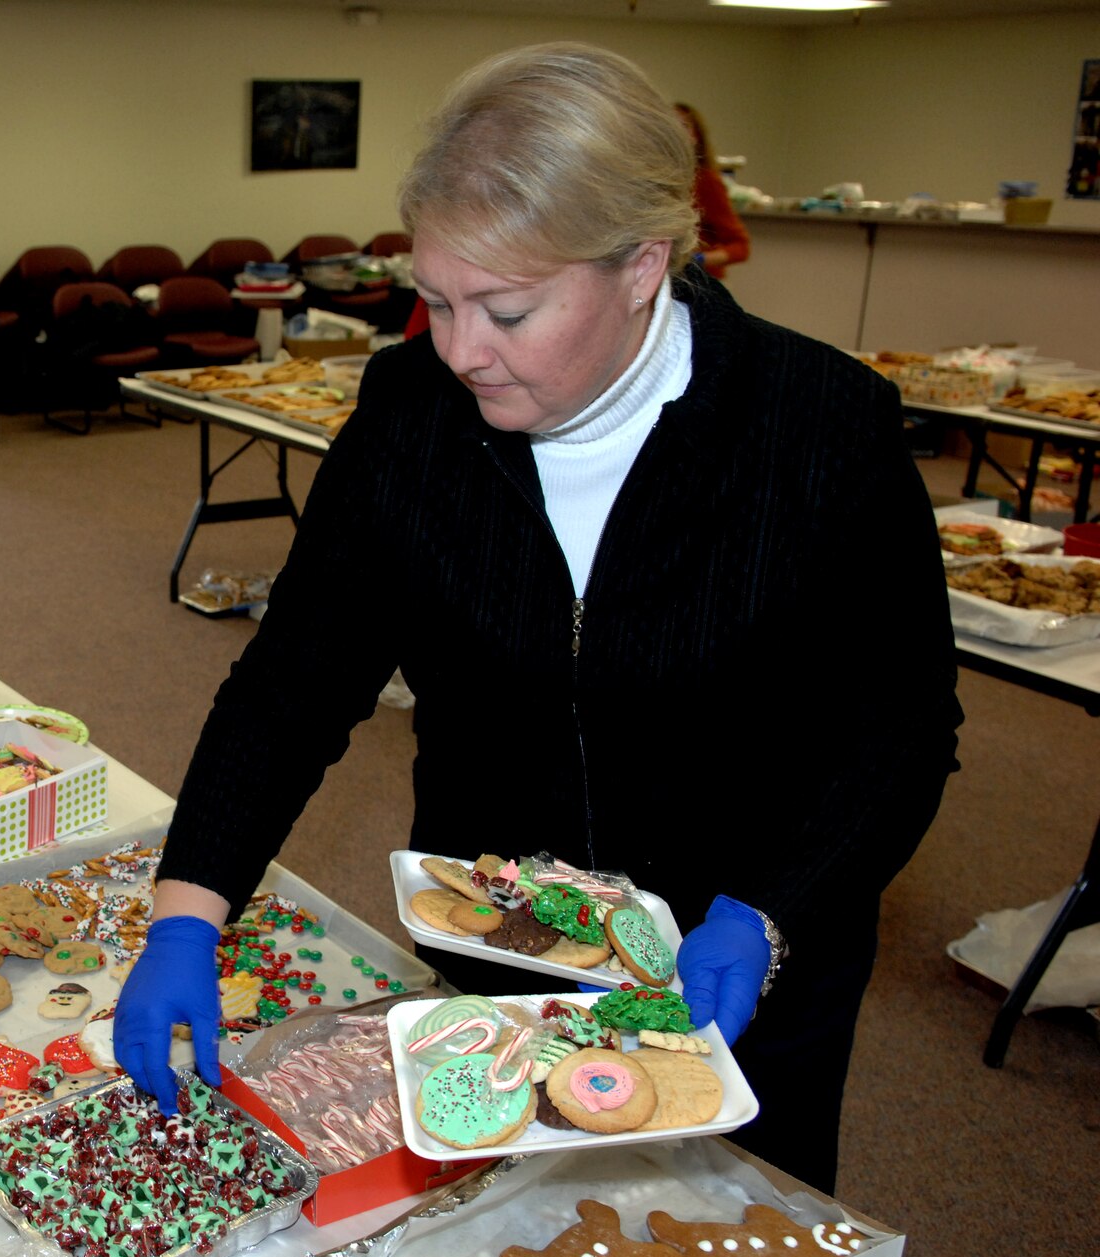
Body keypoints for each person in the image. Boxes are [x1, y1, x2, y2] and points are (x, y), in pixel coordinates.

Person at [115, 42, 960, 1192]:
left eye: (507, 310)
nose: (460, 351)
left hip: (742, 958)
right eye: (433, 301)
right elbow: (292, 679)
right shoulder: (410, 421)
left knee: (728, 1237)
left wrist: (770, 911)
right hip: (497, 950)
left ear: (639, 265)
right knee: (498, 1243)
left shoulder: (819, 431)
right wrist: (188, 911)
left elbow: (900, 727)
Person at [675, 102, 751, 279]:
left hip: (699, 284)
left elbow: (740, 246)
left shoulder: (705, 181)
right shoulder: (653, 181)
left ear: (696, 137)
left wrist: (698, 260)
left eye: (684, 126)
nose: (676, 133)